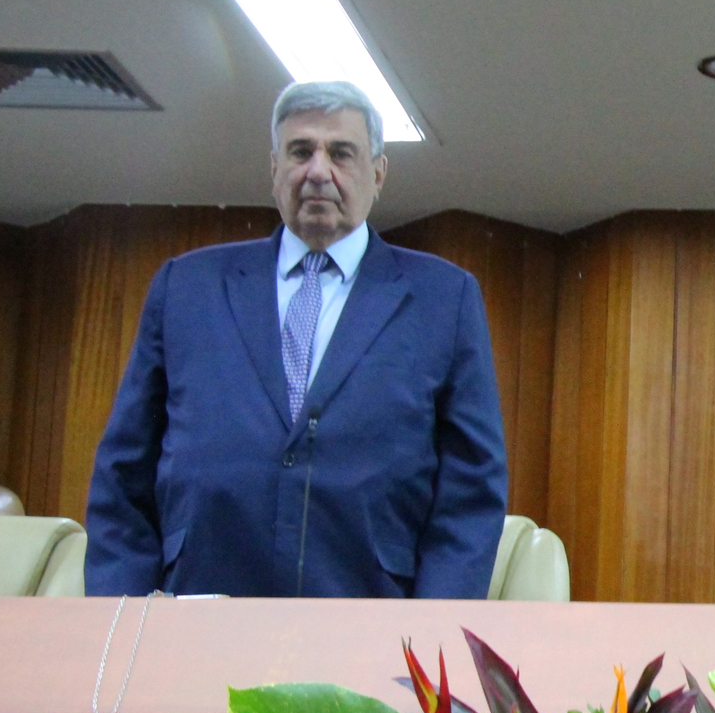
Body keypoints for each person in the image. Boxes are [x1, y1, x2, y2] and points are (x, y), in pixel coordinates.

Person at [85, 81, 507, 598]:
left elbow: (472, 491)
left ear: (378, 173)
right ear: (274, 169)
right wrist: (120, 616)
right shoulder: (187, 287)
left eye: (341, 153)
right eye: (301, 152)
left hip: (368, 610)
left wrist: (429, 630)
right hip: (198, 602)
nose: (318, 171)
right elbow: (123, 471)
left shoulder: (444, 298)